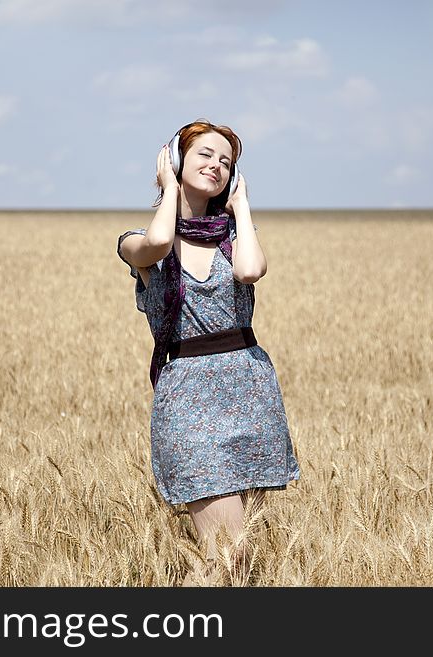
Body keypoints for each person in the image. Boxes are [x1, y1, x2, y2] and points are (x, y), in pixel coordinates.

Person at [116, 118, 300, 586]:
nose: (216, 166)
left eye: (226, 162)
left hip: (249, 390)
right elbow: (158, 243)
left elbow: (250, 270)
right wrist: (167, 190)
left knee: (236, 557)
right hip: (188, 398)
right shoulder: (136, 242)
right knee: (229, 549)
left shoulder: (235, 238)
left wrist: (241, 207)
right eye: (204, 155)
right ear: (175, 160)